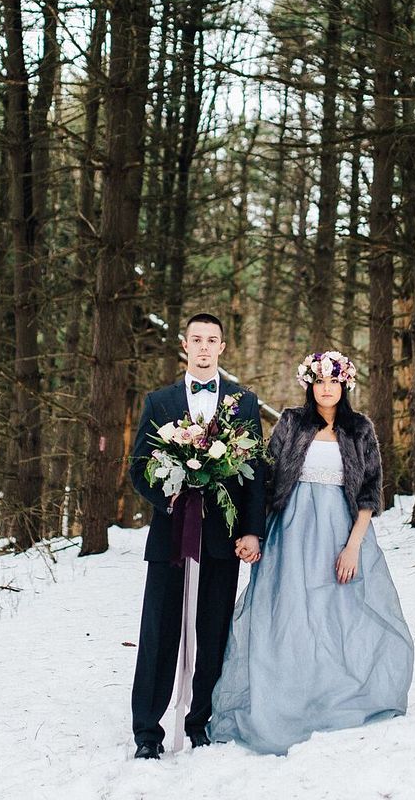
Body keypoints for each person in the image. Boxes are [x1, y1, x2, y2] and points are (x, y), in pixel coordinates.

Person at [209, 350, 414, 755]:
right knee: (288, 613)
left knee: (336, 613)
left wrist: (353, 546)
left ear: (344, 385)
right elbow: (266, 479)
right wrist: (256, 532)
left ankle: (332, 695)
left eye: (333, 382)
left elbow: (370, 492)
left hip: (340, 530)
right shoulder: (291, 422)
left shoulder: (360, 429)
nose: (326, 388)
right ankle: (284, 698)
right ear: (309, 384)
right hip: (291, 529)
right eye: (319, 381)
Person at [128, 313, 268, 759]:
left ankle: (199, 721)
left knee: (212, 633)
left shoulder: (244, 403)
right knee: (159, 632)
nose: (204, 347)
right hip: (172, 536)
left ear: (222, 348)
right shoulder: (159, 401)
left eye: (212, 340)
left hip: (223, 539)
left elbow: (255, 476)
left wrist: (251, 530)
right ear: (184, 346)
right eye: (196, 339)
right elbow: (138, 467)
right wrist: (173, 492)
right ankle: (147, 732)